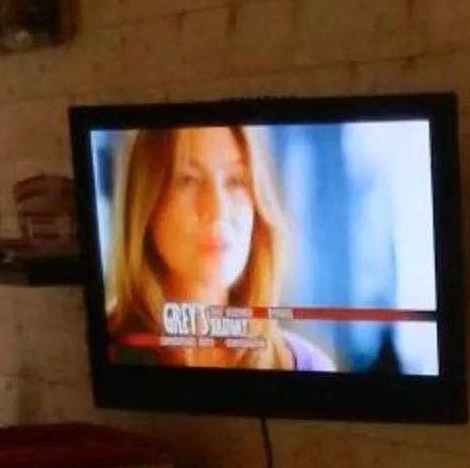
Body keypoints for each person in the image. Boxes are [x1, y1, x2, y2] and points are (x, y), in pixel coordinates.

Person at [104, 122, 332, 370]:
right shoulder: (97, 351)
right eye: (188, 180)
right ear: (145, 202)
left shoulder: (309, 366)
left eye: (235, 181)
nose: (217, 210)